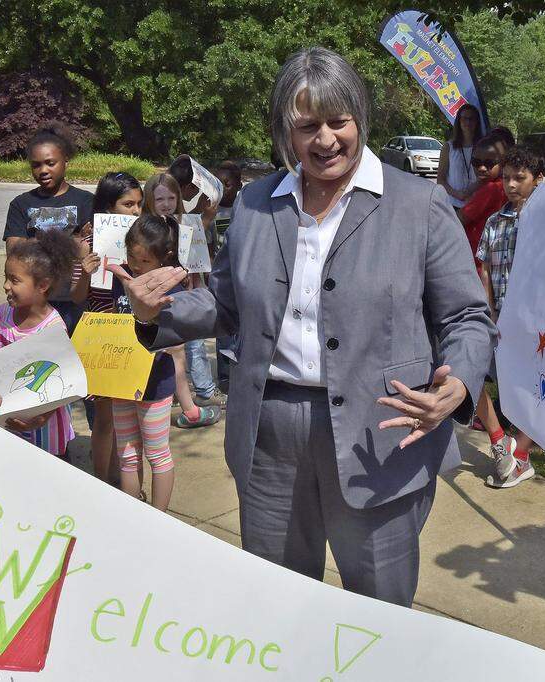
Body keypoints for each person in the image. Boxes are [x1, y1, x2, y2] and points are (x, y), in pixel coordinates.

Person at [114, 47, 495, 607]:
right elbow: (224, 303)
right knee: (280, 605)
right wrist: (154, 315)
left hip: (381, 434)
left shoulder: (419, 204)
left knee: (379, 612)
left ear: (360, 118)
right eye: (307, 125)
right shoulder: (254, 205)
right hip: (270, 434)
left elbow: (466, 315)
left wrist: (457, 383)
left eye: (338, 121)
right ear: (285, 132)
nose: (325, 140)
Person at [476, 147, 544, 488]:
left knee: (536, 387)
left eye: (520, 178)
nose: (511, 185)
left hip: (535, 321)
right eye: (506, 178)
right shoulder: (494, 222)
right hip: (499, 316)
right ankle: (499, 440)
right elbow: (485, 269)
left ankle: (521, 456)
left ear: (538, 181)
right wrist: (488, 311)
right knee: (470, 373)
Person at [107, 215, 183, 509]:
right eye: (131, 257)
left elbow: (177, 338)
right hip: (121, 380)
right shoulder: (122, 278)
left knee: (157, 453)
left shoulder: (171, 287)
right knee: (126, 452)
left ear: (164, 258)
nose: (136, 266)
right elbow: (113, 319)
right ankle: (132, 514)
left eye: (144, 261)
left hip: (155, 384)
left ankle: (159, 517)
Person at [0, 229, 79, 457]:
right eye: (5, 277)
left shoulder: (53, 326)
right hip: (7, 421)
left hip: (46, 428)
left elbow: (63, 382)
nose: (6, 285)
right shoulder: (1, 315)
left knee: (45, 483)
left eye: (14, 280)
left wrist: (41, 417)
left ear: (42, 285)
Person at [73, 172, 143, 484]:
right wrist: (85, 272)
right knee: (104, 419)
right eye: (128, 204)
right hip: (101, 334)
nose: (136, 211)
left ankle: (128, 480)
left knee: (132, 417)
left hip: (135, 332)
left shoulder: (144, 240)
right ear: (108, 207)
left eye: (140, 204)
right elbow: (77, 297)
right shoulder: (87, 243)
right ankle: (101, 480)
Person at [143, 173, 223, 428]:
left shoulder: (185, 224)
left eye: (170, 197)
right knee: (169, 351)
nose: (165, 203)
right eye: (159, 199)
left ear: (178, 199)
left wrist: (196, 281)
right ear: (149, 201)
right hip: (160, 297)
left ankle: (201, 392)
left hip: (186, 295)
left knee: (194, 346)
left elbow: (196, 257)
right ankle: (183, 402)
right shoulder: (144, 228)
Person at [3, 124, 94, 333]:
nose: (43, 170)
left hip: (75, 299)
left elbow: (89, 250)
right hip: (34, 302)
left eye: (50, 163)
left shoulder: (86, 201)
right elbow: (15, 251)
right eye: (36, 165)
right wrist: (70, 242)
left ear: (65, 162)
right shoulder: (20, 204)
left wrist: (35, 242)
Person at [213, 161, 243, 392]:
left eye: (228, 184)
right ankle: (225, 378)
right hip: (220, 280)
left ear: (239, 184)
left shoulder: (247, 207)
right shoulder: (209, 211)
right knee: (222, 331)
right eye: (218, 185)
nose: (223, 189)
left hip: (243, 278)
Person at [460, 134, 509, 270]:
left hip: (476, 263)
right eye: (476, 162)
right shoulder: (503, 186)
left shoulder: (491, 189)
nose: (481, 168)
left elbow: (458, 220)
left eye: (489, 163)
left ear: (503, 163)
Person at [436, 103, 482, 215]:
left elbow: (487, 176)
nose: (468, 122)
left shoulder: (482, 147)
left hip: (477, 204)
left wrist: (470, 192)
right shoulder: (448, 147)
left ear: (477, 122)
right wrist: (457, 194)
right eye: (464, 118)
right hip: (452, 205)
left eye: (471, 119)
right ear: (459, 121)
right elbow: (440, 180)